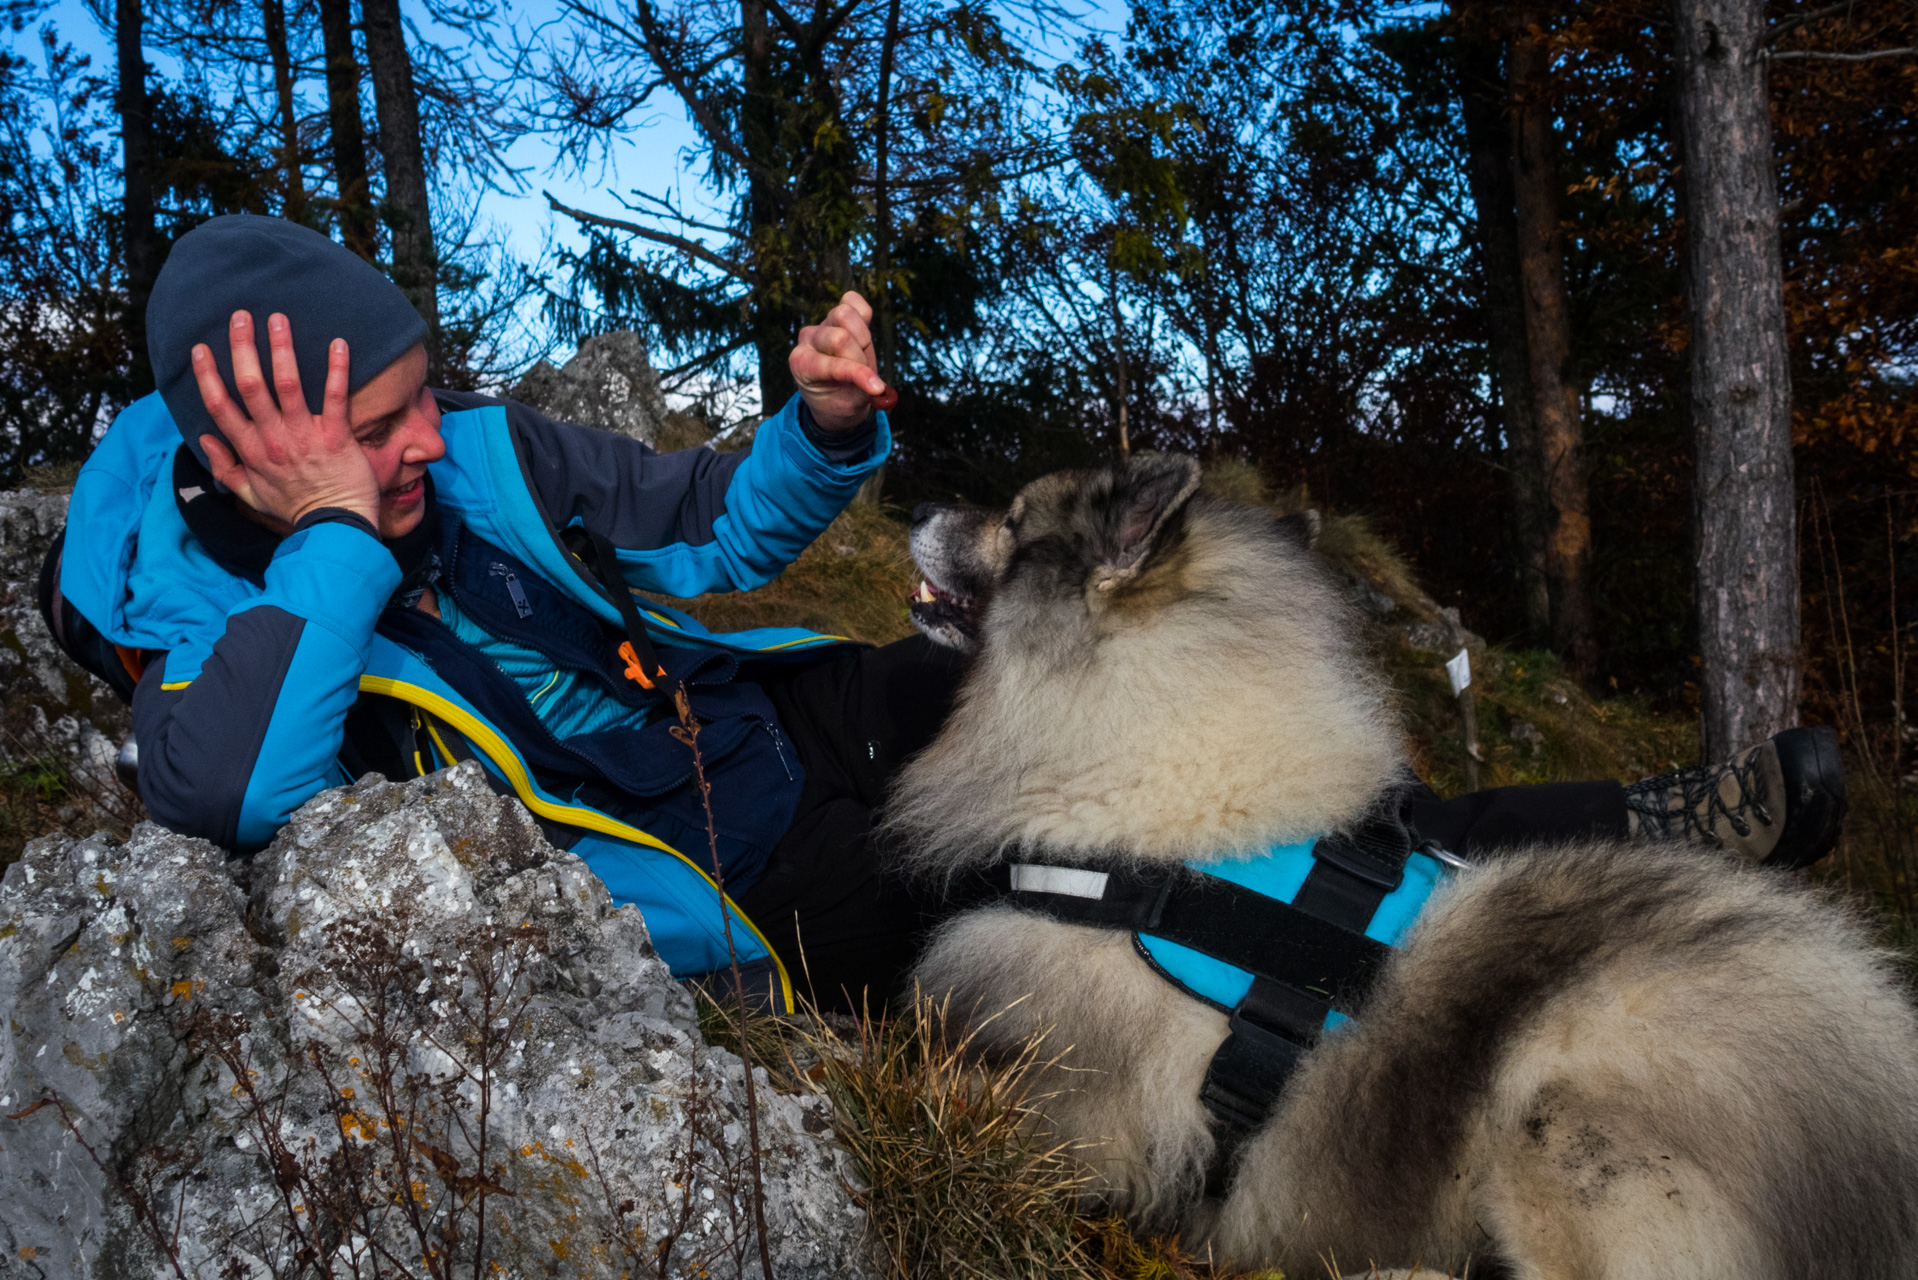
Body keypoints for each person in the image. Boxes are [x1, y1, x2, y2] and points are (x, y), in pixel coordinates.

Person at [46, 215, 1845, 1017]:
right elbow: (238, 794)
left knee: (1171, 775)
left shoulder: (490, 456)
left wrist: (824, 431)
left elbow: (704, 524)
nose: (426, 439)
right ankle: (1486, 977)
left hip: (796, 716)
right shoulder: (192, 612)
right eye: (382, 429)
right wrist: (339, 536)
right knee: (1164, 901)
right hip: (760, 888)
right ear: (249, 450)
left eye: (422, 395)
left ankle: (1636, 827)